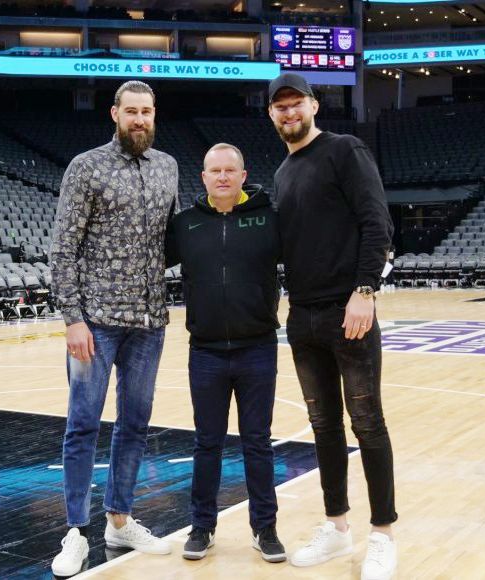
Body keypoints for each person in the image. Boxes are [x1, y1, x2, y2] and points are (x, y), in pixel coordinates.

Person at [268, 72, 398, 580]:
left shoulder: (345, 150)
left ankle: (383, 535)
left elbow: (376, 221)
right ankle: (337, 526)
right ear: (271, 115)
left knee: (367, 422)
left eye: (296, 103)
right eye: (280, 106)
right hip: (302, 317)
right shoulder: (283, 173)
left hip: (349, 311)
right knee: (323, 426)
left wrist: (365, 290)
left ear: (313, 106)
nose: (289, 112)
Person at [49, 80, 179, 577]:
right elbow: (63, 248)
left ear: (154, 115)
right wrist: (72, 319)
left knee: (135, 423)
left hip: (149, 321)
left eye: (147, 111)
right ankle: (75, 532)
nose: (140, 119)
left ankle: (119, 520)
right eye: (131, 111)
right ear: (114, 114)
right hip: (96, 323)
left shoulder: (167, 167)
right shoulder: (86, 167)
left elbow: (171, 241)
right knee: (83, 423)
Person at [166, 143, 285, 563]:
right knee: (207, 443)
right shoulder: (185, 225)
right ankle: (202, 526)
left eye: (229, 170)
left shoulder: (269, 219)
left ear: (242, 175)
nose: (222, 177)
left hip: (258, 348)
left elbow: (308, 257)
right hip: (206, 351)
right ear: (203, 177)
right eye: (214, 171)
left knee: (258, 442)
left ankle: (265, 528)